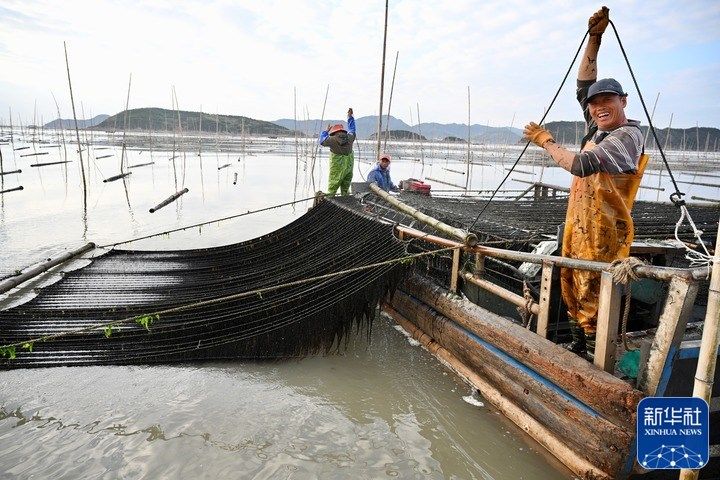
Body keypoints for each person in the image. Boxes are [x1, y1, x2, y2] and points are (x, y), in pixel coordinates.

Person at [523, 6, 647, 355]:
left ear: (623, 101)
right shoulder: (598, 126)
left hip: (606, 232)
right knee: (572, 288)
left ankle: (595, 358)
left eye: (607, 100)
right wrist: (595, 39)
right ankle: (577, 349)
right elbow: (583, 84)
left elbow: (581, 165)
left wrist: (546, 141)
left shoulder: (626, 137)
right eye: (595, 104)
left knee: (594, 293)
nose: (598, 106)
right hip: (580, 225)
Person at [319, 108, 356, 196]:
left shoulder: (331, 139)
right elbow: (352, 129)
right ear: (343, 131)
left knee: (333, 186)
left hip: (337, 167)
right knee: (346, 185)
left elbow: (322, 141)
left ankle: (330, 200)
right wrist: (350, 117)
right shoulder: (350, 137)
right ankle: (345, 198)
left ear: (334, 132)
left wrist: (325, 132)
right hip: (349, 167)